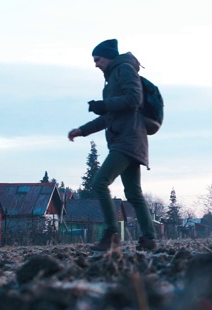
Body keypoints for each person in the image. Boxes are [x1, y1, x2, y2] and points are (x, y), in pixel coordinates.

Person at [68, 38, 157, 252]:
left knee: (99, 183)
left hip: (128, 140)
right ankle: (149, 239)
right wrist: (83, 130)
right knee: (134, 193)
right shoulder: (112, 80)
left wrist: (104, 104)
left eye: (98, 59)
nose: (96, 64)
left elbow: (134, 99)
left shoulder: (124, 69)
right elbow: (109, 116)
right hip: (129, 140)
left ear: (108, 57)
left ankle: (111, 235)